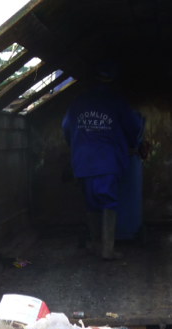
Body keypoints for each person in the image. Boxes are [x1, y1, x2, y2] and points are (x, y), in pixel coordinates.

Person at [62, 60, 146, 260]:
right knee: (108, 200)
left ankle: (96, 245)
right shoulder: (117, 101)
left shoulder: (78, 100)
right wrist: (132, 144)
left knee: (91, 202)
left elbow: (66, 127)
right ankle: (108, 250)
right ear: (113, 80)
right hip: (107, 160)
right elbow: (134, 128)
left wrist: (75, 146)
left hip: (82, 161)